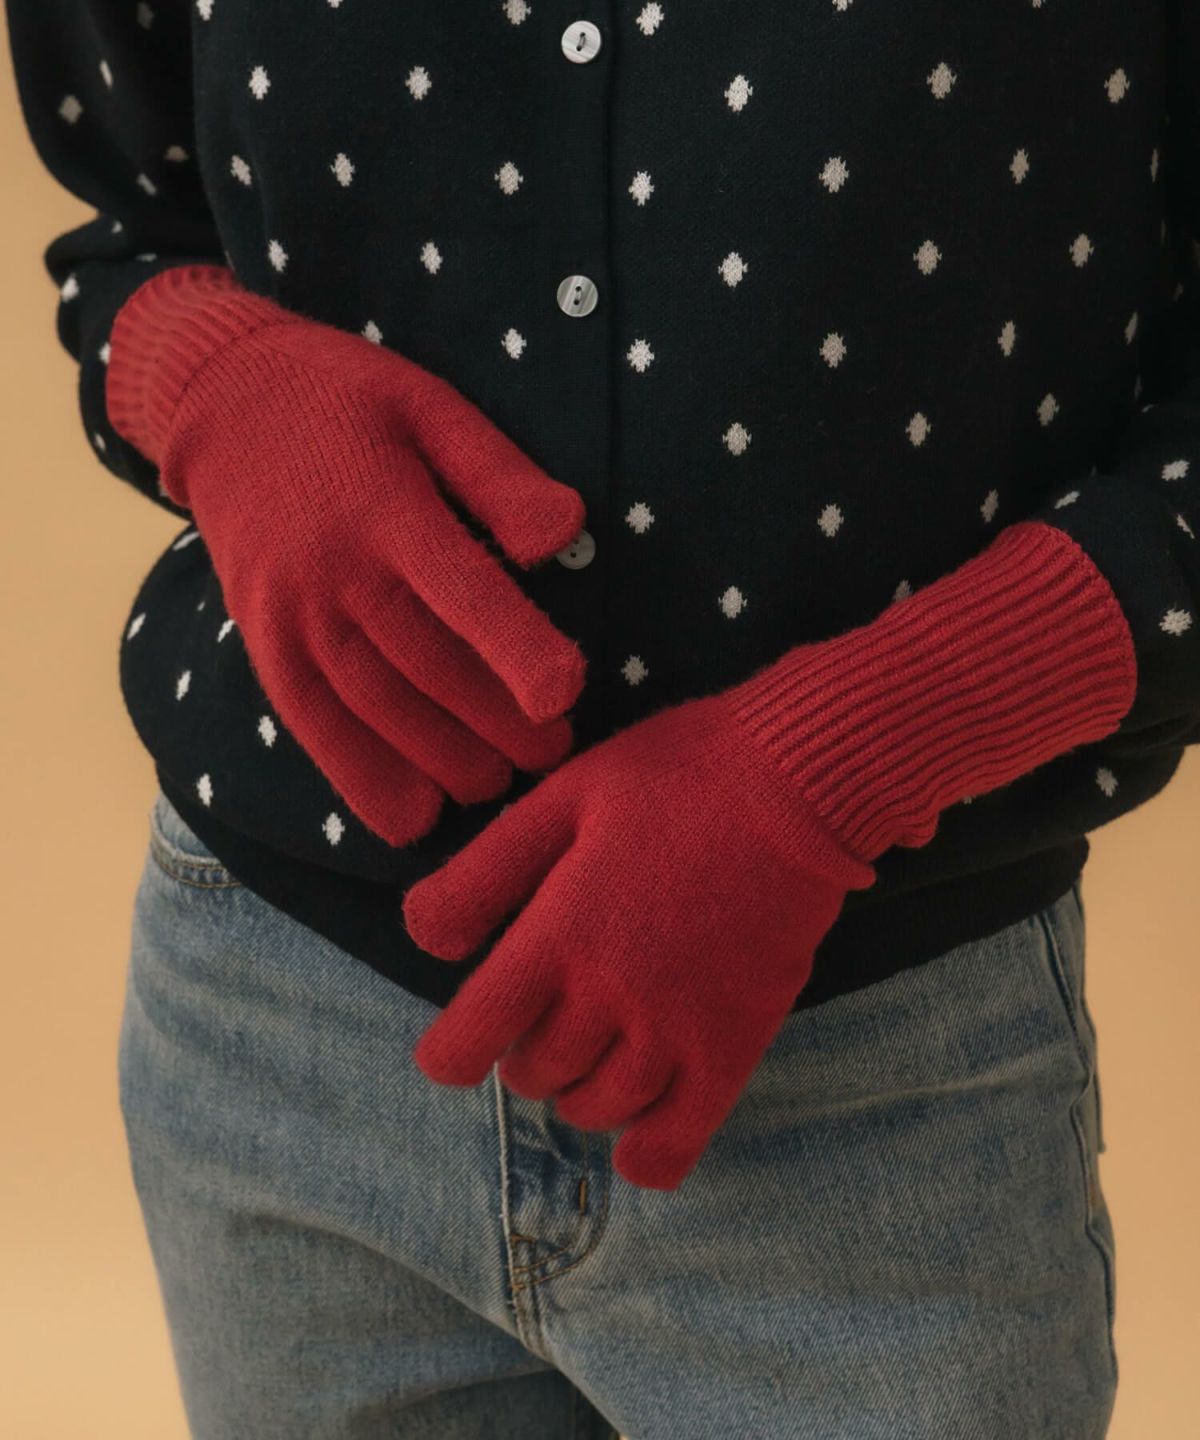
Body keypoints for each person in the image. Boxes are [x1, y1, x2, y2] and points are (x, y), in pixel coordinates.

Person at [6, 3, 1196, 1436]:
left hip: (881, 1084)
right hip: (272, 1037)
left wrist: (845, 759)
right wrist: (213, 380)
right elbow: (132, 224)